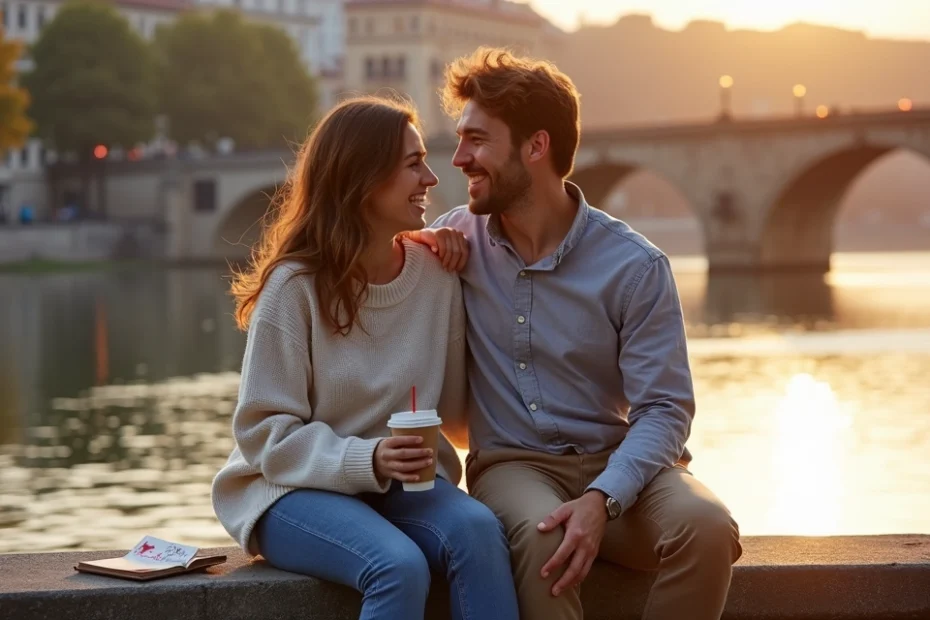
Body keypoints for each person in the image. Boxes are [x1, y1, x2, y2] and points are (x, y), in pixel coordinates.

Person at [405, 49, 742, 620]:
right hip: (514, 467)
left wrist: (602, 499)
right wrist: (425, 254)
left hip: (621, 462)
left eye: (478, 140)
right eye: (460, 139)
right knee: (543, 541)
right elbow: (362, 261)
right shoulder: (450, 241)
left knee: (708, 529)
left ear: (536, 147)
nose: (458, 158)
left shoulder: (635, 266)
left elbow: (663, 409)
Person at [211, 95, 519, 620]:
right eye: (412, 164)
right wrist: (369, 458)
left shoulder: (437, 276)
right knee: (397, 566)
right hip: (288, 489)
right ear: (361, 177)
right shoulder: (294, 288)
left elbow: (460, 417)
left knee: (480, 533)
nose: (431, 178)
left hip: (405, 487)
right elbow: (263, 436)